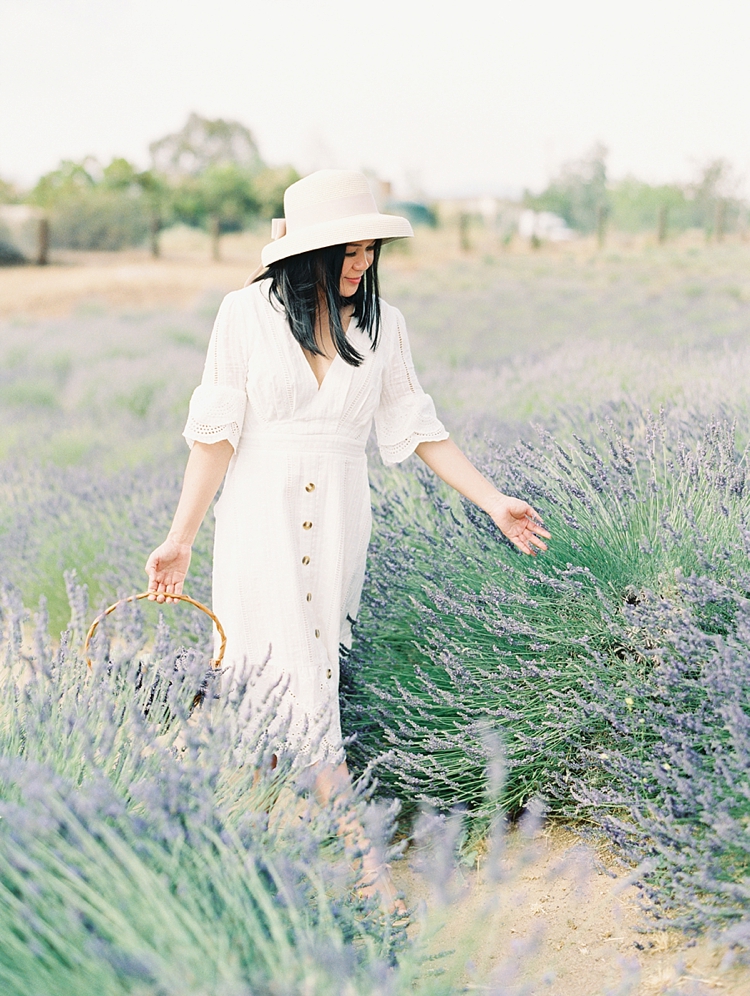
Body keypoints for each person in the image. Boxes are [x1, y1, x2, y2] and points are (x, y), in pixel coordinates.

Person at [145, 169, 550, 905]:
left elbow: (419, 428)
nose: (362, 264)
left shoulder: (383, 326)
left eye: (369, 251)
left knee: (301, 681)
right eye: (348, 252)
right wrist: (181, 538)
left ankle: (242, 837)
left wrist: (494, 501)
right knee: (286, 678)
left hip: (338, 520)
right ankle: (364, 870)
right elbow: (215, 439)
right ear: (307, 257)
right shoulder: (243, 317)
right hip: (258, 519)